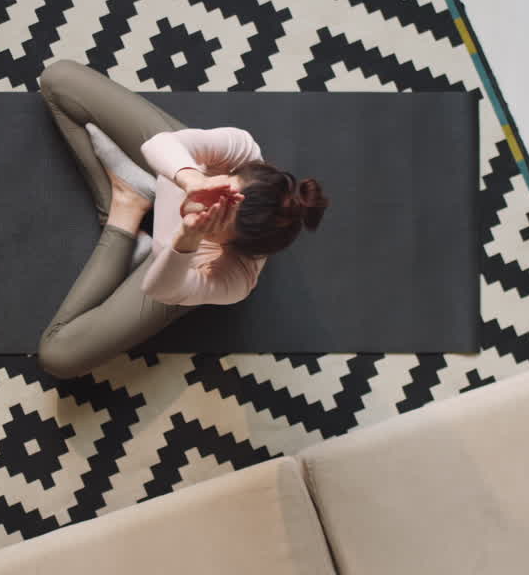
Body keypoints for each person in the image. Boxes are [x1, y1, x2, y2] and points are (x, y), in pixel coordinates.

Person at [37, 60, 329, 379]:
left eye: (216, 221)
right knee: (58, 79)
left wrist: (186, 240)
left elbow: (159, 289)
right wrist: (192, 179)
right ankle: (130, 195)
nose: (204, 205)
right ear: (233, 173)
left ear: (232, 246)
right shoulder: (242, 151)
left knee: (58, 356)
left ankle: (125, 211)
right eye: (222, 191)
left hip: (173, 265)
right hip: (173, 172)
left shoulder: (235, 279)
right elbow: (161, 144)